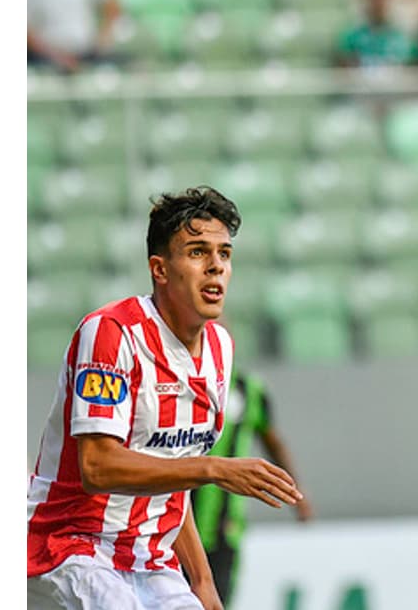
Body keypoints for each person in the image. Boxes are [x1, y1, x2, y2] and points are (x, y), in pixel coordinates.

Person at [27, 187, 305, 610]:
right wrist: (213, 468)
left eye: (224, 254)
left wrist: (203, 580)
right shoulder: (111, 334)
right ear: (160, 268)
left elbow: (172, 478)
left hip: (151, 559)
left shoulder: (220, 349)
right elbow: (97, 467)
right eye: (197, 252)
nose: (215, 266)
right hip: (70, 547)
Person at [192, 371, 315, 608]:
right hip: (171, 525)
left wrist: (295, 490)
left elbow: (272, 439)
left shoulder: (248, 389)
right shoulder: (177, 380)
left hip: (223, 528)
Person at [335, 0, 418, 69]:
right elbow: (344, 64)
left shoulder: (402, 36)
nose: (378, 3)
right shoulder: (352, 36)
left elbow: (414, 64)